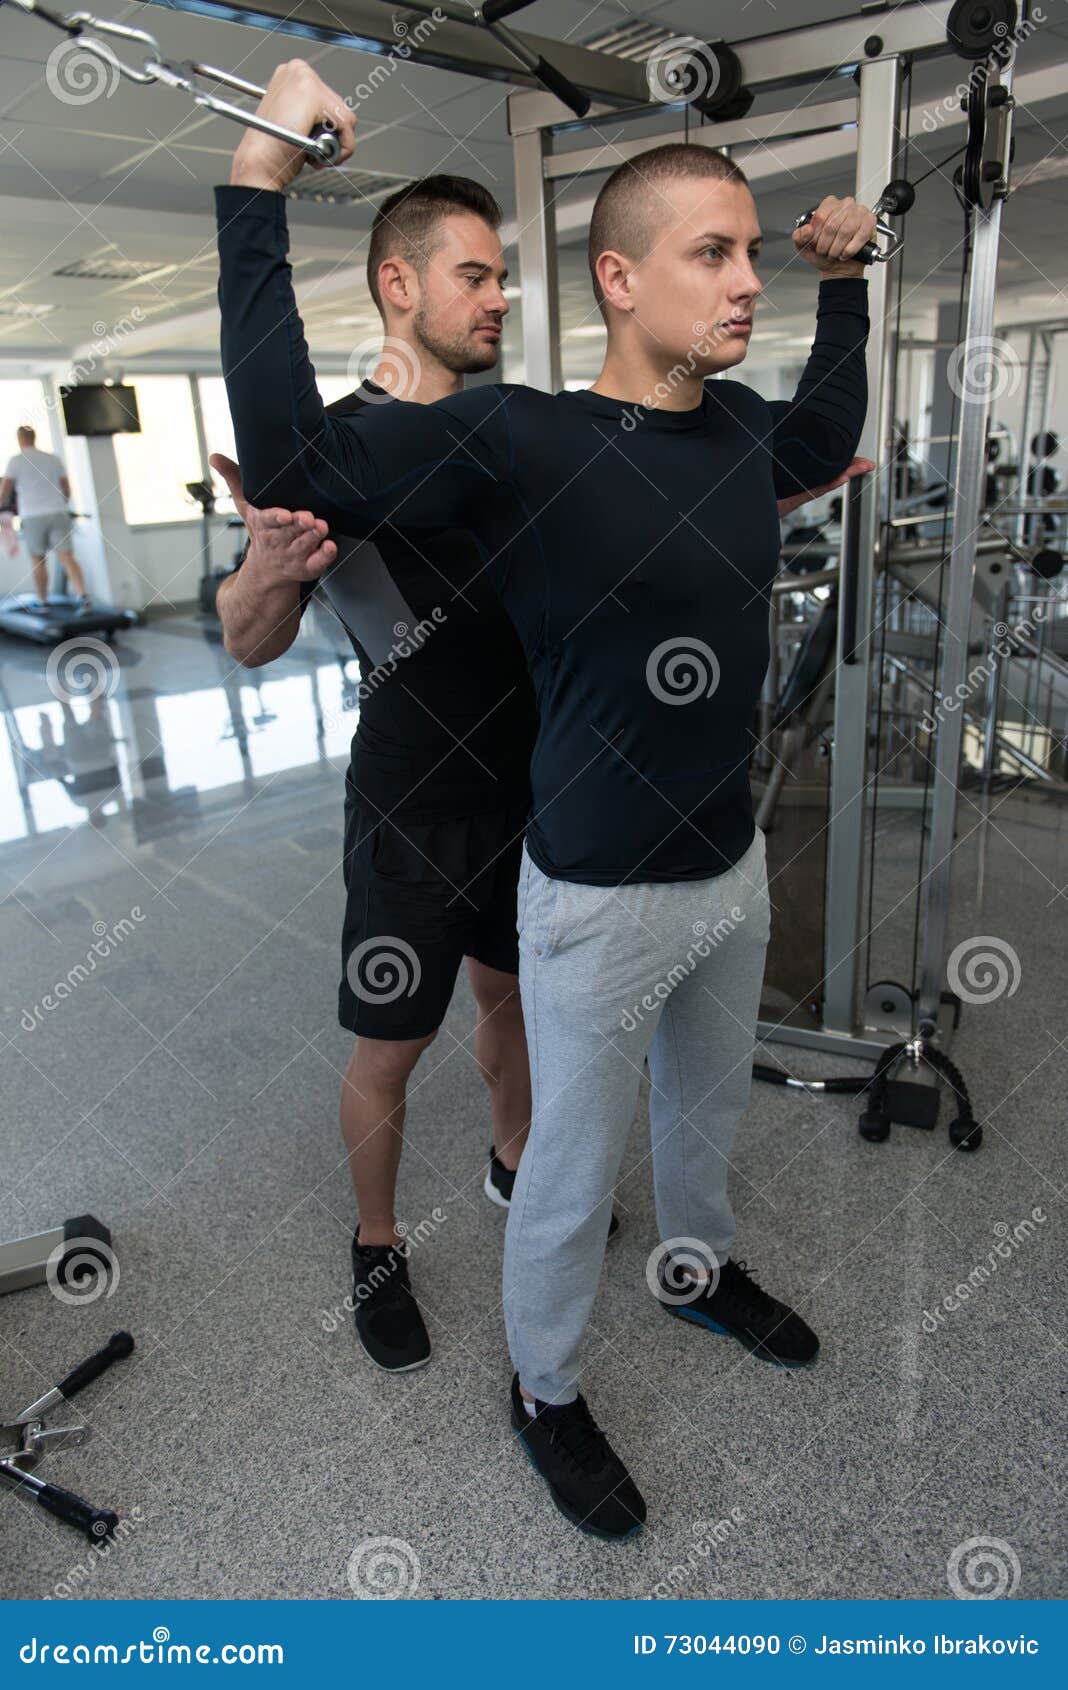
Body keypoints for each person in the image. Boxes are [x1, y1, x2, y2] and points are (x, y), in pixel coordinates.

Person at [214, 61, 875, 1538]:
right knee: (568, 1169)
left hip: (729, 866)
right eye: (714, 253)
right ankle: (547, 1388)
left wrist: (852, 281)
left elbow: (829, 432)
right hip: (595, 886)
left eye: (753, 253)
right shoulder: (525, 436)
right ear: (622, 277)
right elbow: (301, 460)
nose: (743, 280)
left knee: (702, 1119)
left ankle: (701, 1273)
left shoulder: (740, 431)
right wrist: (257, 188)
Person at [212, 176, 616, 1376]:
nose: (499, 297)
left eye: (503, 277)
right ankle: (376, 1242)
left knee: (511, 1001)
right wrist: (274, 567)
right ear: (401, 284)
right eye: (475, 276)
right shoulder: (325, 448)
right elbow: (246, 633)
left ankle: (513, 1164)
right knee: (392, 1042)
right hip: (412, 794)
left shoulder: (510, 437)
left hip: (528, 779)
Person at [0, 426, 90, 608]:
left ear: (19, 439)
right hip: (58, 512)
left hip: (32, 515)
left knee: (38, 559)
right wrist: (62, 503)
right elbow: (66, 487)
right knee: (67, 556)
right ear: (34, 437)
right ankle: (83, 596)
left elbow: (5, 490)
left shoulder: (16, 461)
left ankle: (43, 601)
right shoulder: (52, 459)